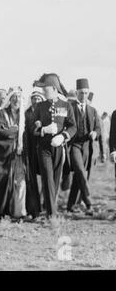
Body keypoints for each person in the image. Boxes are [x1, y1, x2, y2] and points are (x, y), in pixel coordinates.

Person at [33, 74, 76, 218]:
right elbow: (33, 129)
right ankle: (52, 215)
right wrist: (43, 130)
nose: (44, 91)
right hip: (44, 148)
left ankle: (49, 206)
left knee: (55, 181)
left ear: (54, 88)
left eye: (46, 88)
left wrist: (63, 136)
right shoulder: (40, 106)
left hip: (59, 147)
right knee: (47, 178)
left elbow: (72, 126)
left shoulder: (66, 105)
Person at [0, 87, 26, 219]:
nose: (16, 100)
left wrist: (11, 131)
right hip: (3, 155)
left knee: (19, 184)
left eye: (19, 97)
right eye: (14, 97)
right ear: (10, 99)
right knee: (1, 181)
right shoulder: (2, 113)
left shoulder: (24, 114)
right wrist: (14, 131)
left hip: (20, 156)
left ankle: (16, 212)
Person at [66, 79, 101, 216]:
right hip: (74, 145)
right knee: (80, 171)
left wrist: (95, 133)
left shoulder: (92, 110)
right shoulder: (70, 107)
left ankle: (70, 205)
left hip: (87, 146)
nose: (84, 96)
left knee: (78, 177)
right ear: (76, 93)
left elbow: (98, 127)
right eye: (81, 93)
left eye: (86, 93)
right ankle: (89, 203)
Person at [24, 89, 45, 218]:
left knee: (45, 177)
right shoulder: (26, 113)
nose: (36, 100)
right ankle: (34, 206)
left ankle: (45, 204)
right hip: (30, 149)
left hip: (43, 148)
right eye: (34, 98)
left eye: (38, 98)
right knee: (31, 179)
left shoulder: (45, 113)